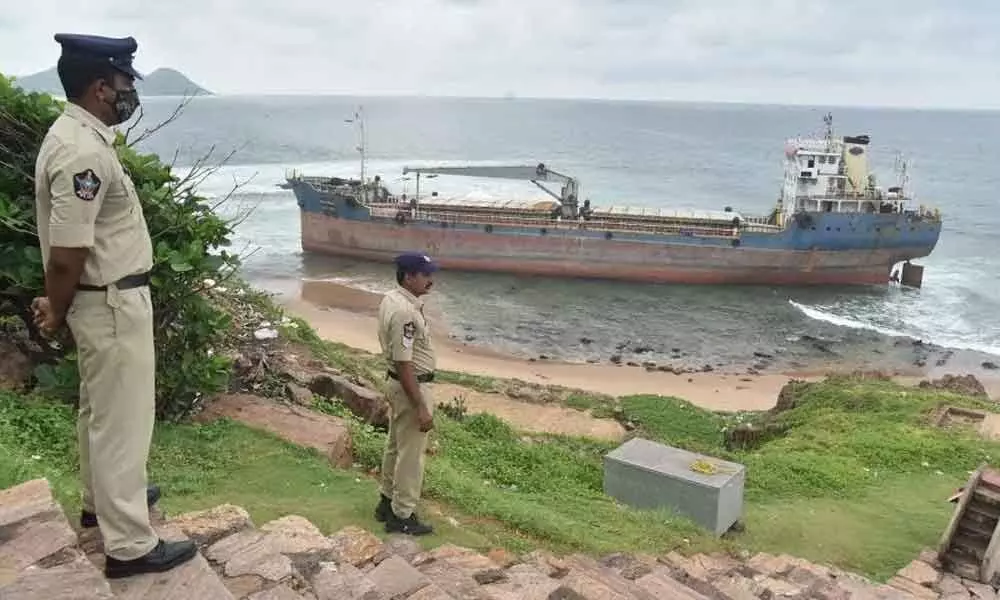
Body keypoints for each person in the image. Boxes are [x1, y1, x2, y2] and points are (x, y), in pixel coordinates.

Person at [31, 33, 197, 579]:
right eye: (126, 81)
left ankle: (101, 500)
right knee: (123, 421)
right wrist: (55, 310)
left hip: (101, 300)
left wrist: (61, 305)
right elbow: (68, 252)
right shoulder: (82, 150)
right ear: (101, 86)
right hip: (111, 302)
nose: (130, 91)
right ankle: (129, 544)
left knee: (99, 412)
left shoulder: (78, 136)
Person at [374, 252, 439, 536]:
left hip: (397, 385)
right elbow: (404, 362)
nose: (431, 280)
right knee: (411, 456)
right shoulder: (404, 312)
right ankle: (402, 515)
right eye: (425, 275)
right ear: (408, 276)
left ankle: (387, 502)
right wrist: (421, 406)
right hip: (411, 386)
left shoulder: (392, 299)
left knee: (394, 446)